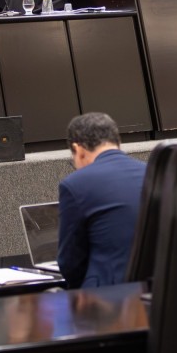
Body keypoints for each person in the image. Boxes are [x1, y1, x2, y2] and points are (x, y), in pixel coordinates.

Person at [57, 112, 147, 289]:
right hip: (155, 291)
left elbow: (70, 262)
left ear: (78, 150)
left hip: (107, 295)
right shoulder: (151, 172)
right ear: (117, 142)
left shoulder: (76, 184)